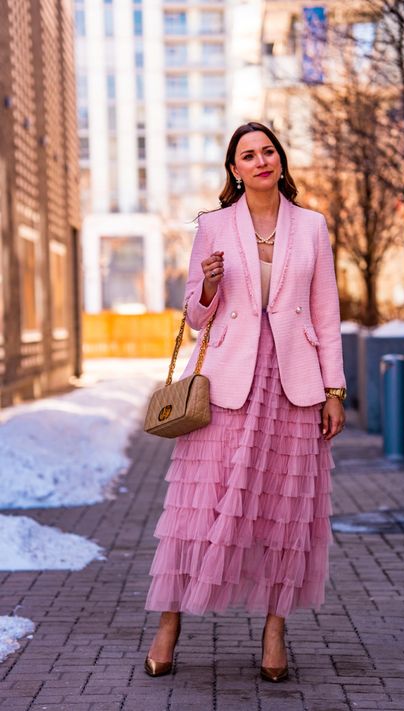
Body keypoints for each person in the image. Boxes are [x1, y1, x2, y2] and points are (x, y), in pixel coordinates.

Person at [144, 122, 346, 682]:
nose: (260, 161)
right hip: (226, 383)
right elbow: (195, 314)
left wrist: (335, 389)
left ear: (280, 160)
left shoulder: (312, 226)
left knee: (285, 511)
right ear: (234, 170)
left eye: (268, 151)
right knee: (197, 506)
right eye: (247, 155)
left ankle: (275, 631)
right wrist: (208, 287)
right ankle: (169, 623)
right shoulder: (213, 226)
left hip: (293, 382)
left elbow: (325, 314)